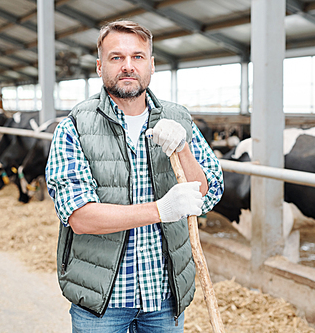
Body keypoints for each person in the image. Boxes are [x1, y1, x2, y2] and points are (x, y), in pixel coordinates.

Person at [45, 20, 224, 333]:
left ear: (151, 65)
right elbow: (80, 217)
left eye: (138, 57)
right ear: (100, 67)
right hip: (102, 300)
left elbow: (207, 193)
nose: (128, 66)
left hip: (165, 297)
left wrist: (182, 148)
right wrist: (160, 210)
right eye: (116, 58)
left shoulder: (178, 117)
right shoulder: (73, 127)